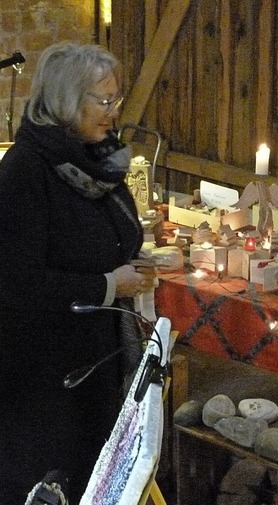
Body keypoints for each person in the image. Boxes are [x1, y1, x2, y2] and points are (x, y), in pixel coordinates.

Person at [0, 42, 156, 503]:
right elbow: (17, 283)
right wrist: (110, 285)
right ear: (67, 103)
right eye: (102, 101)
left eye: (116, 99)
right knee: (48, 477)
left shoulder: (101, 158)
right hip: (43, 368)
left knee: (95, 467)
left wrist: (132, 266)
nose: (113, 112)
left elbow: (115, 233)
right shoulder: (25, 173)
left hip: (93, 357)